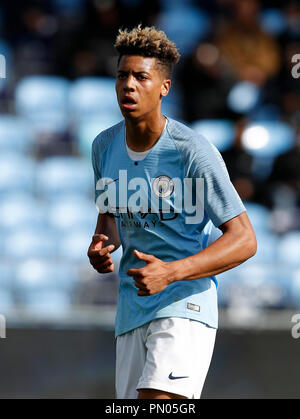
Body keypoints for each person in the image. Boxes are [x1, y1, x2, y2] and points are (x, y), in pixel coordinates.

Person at [87, 25, 257, 400]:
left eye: (140, 77)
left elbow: (245, 239)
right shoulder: (103, 147)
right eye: (122, 76)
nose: (128, 85)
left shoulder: (192, 151)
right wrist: (101, 246)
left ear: (164, 87)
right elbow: (110, 220)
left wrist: (171, 272)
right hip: (132, 310)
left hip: (184, 304)